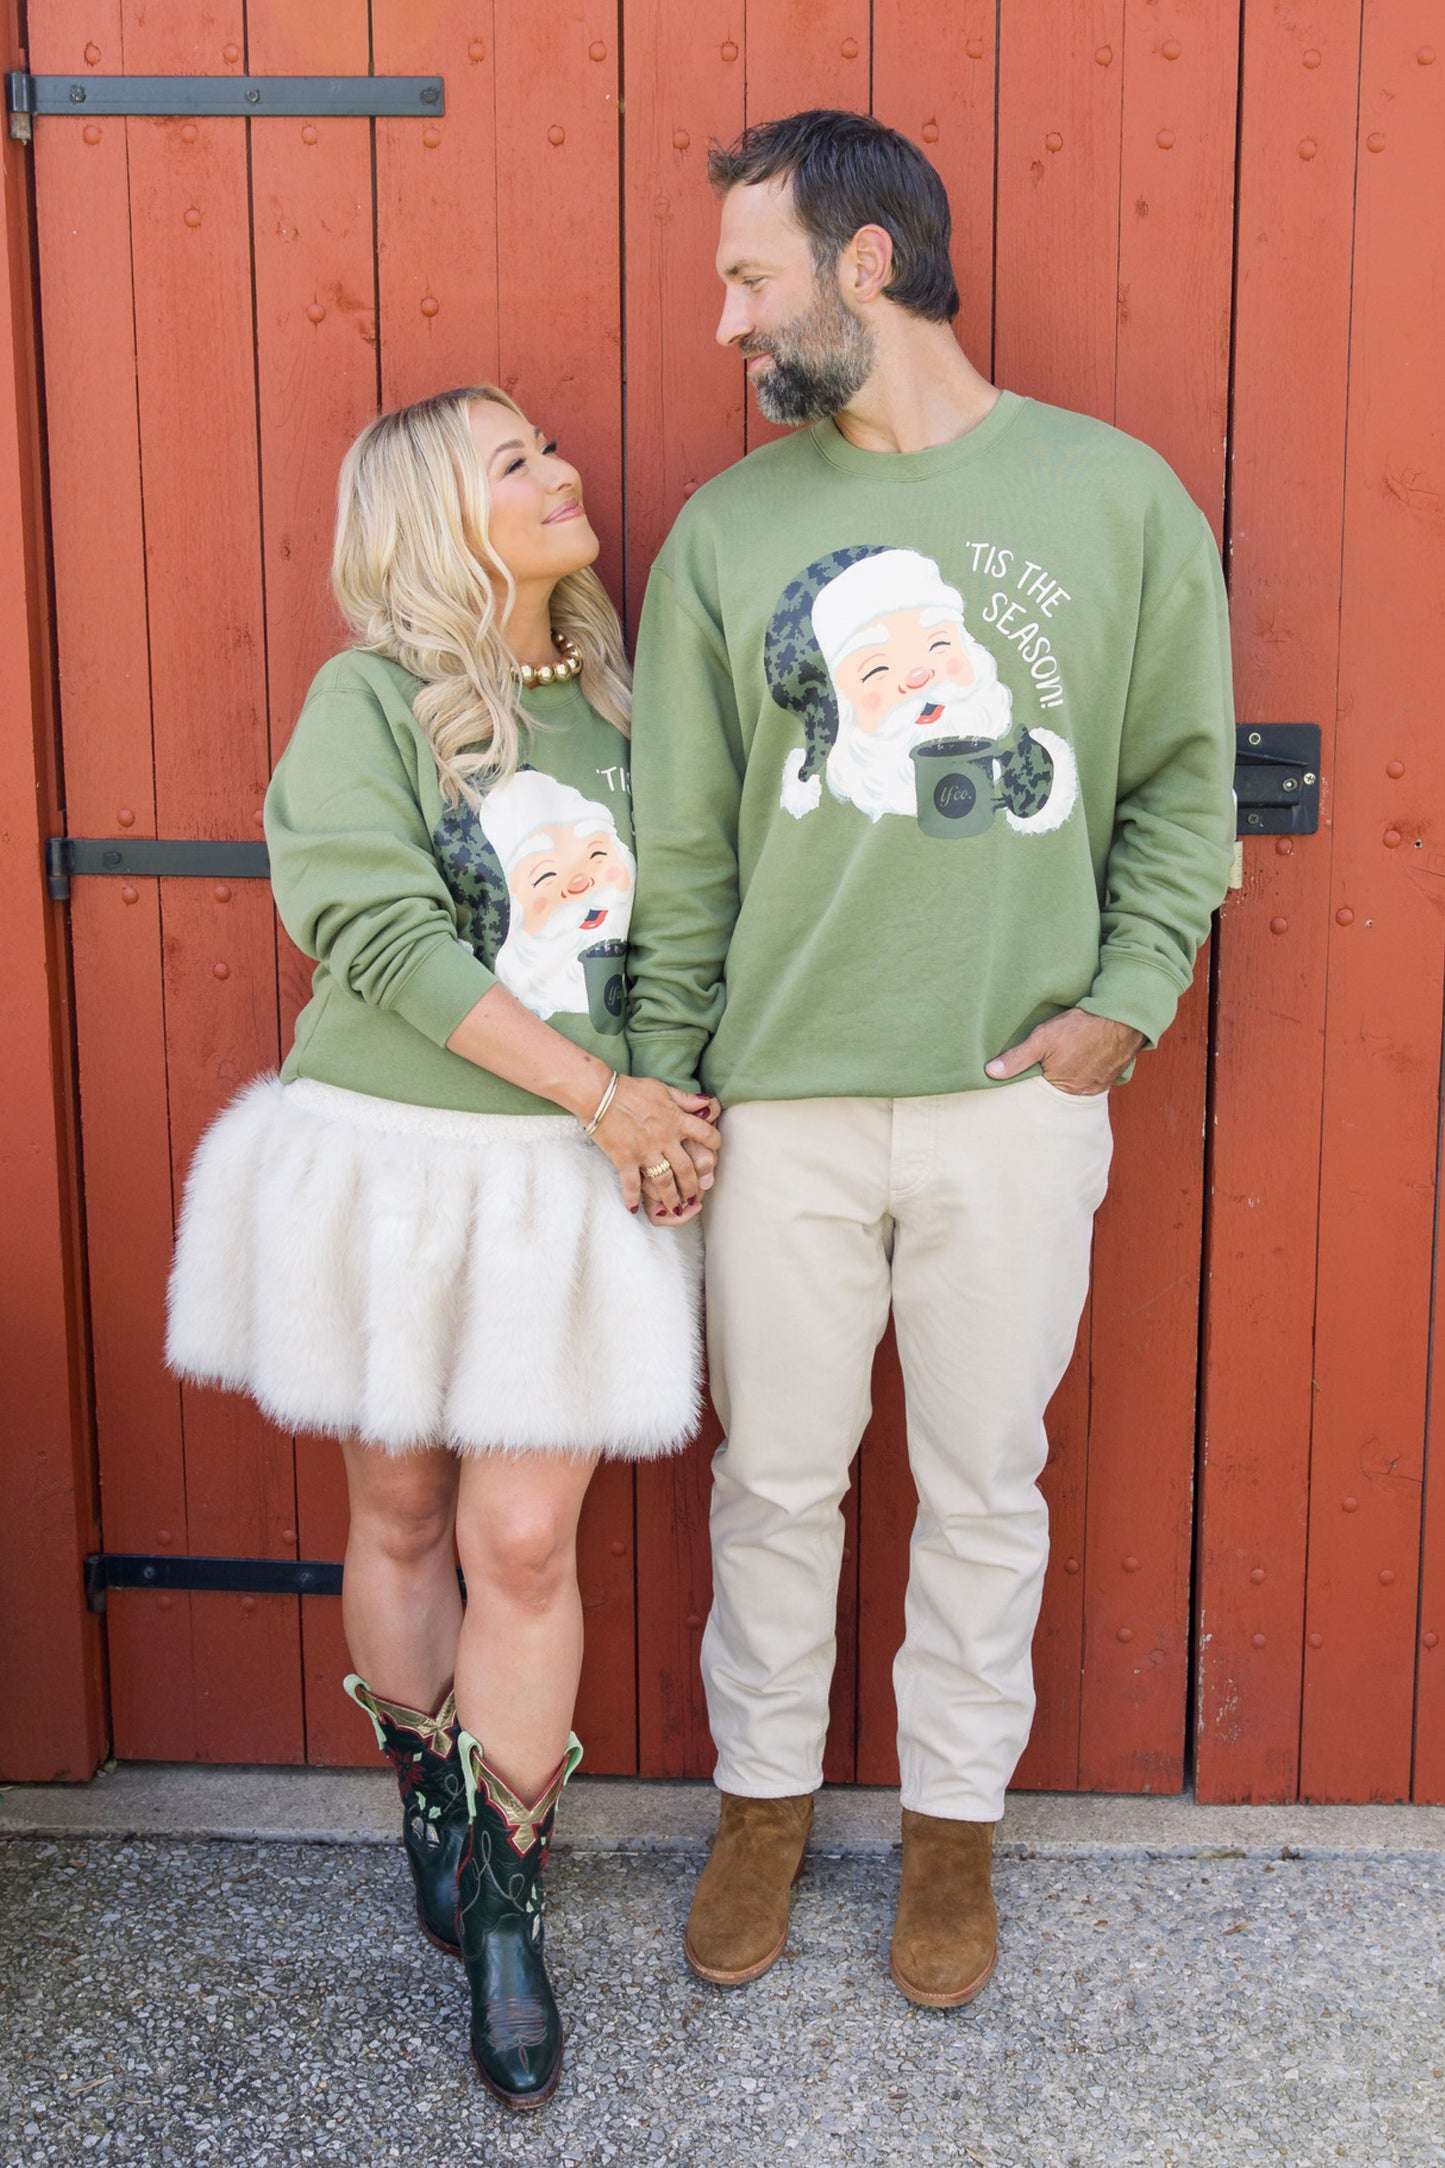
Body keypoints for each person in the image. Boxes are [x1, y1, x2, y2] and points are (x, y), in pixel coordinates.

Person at [626, 111, 1236, 2009]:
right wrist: (663, 1085)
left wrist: (1123, 1006)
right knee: (774, 1480)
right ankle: (761, 1809)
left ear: (863, 264)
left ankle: (950, 1831)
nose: (728, 320)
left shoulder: (1114, 498)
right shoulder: (725, 533)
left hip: (1009, 1100)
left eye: (750, 276)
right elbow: (684, 843)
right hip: (780, 1101)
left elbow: (1180, 788)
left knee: (983, 1482)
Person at [165, 386, 719, 2108]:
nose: (562, 474)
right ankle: (432, 1800)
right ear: (431, 521)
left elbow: (689, 931)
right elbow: (375, 929)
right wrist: (604, 1095)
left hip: (574, 1178)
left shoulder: (632, 708)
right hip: (394, 1167)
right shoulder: (368, 702)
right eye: (514, 463)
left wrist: (660, 1107)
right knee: (402, 1512)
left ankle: (503, 1906)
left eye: (549, 448)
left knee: (524, 1540)